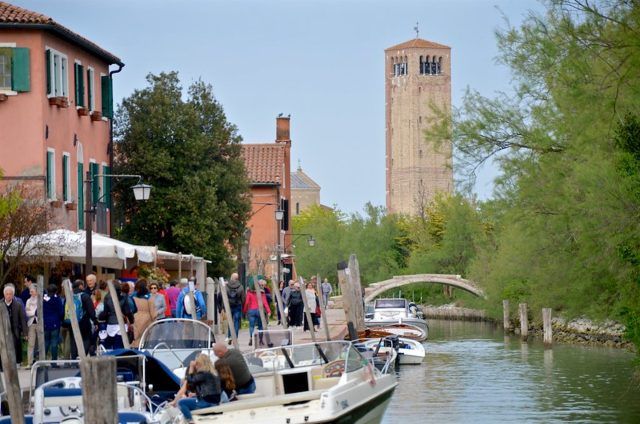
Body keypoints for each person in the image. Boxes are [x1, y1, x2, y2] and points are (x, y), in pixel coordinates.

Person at [176, 354, 222, 420]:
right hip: (215, 401)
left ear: (200, 364)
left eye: (197, 364)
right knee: (191, 398)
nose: (196, 366)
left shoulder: (204, 373)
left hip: (207, 402)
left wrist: (191, 368)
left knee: (181, 402)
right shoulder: (214, 373)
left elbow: (190, 381)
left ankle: (190, 421)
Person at [99, 280, 135, 350]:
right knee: (120, 345)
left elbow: (105, 312)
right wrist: (131, 321)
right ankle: (120, 359)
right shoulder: (123, 296)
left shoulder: (107, 297)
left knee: (112, 345)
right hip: (121, 323)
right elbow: (127, 311)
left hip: (111, 323)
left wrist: (101, 318)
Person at [66, 279, 97, 359]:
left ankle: (74, 359)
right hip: (84, 322)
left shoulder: (69, 297)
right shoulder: (85, 296)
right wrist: (95, 321)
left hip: (72, 323)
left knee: (73, 340)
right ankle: (82, 356)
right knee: (87, 339)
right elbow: (91, 311)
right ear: (80, 286)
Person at [3, 284, 27, 367]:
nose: (8, 296)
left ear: (13, 295)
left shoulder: (18, 304)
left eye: (10, 294)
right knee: (3, 346)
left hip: (14, 328)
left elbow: (23, 319)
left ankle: (17, 362)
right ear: (4, 294)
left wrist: (25, 333)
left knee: (15, 345)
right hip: (3, 329)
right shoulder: (1, 304)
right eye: (7, 294)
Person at [243, 280, 271, 346]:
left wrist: (244, 311)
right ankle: (260, 340)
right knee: (260, 326)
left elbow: (246, 302)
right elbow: (265, 303)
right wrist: (268, 311)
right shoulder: (262, 293)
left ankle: (251, 338)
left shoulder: (249, 293)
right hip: (259, 311)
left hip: (252, 311)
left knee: (251, 326)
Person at [132, 279, 156, 347]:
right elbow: (153, 313)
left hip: (136, 318)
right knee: (146, 338)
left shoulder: (133, 296)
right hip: (147, 319)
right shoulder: (150, 297)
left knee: (136, 337)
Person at [43, 284, 63, 360]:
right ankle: (54, 361)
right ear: (56, 291)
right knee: (54, 342)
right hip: (55, 322)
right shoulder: (57, 299)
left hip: (45, 323)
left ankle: (42, 360)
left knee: (46, 342)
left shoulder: (43, 299)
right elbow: (61, 312)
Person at [224, 273, 245, 344]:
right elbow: (243, 298)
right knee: (236, 322)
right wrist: (242, 303)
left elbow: (224, 295)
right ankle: (235, 338)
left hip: (229, 305)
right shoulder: (240, 286)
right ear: (237, 278)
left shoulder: (226, 286)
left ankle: (229, 336)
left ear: (231, 278)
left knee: (230, 321)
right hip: (237, 305)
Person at [25, 286, 39, 366]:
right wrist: (34, 312)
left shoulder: (40, 300)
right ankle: (29, 362)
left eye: (32, 291)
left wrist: (32, 311)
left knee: (40, 343)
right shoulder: (28, 301)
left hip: (39, 323)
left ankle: (40, 361)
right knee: (31, 344)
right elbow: (27, 313)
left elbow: (40, 312)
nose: (31, 293)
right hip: (31, 324)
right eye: (30, 291)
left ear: (37, 291)